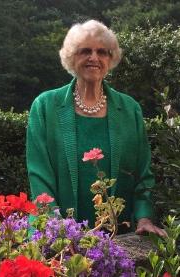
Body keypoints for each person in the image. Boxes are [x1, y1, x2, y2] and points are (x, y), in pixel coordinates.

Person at [26, 19, 166, 236]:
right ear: (72, 57)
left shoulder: (130, 110)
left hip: (118, 236)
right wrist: (56, 229)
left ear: (111, 59)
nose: (94, 58)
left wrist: (144, 217)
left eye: (102, 52)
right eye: (85, 51)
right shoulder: (45, 107)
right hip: (58, 239)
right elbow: (39, 175)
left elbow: (143, 174)